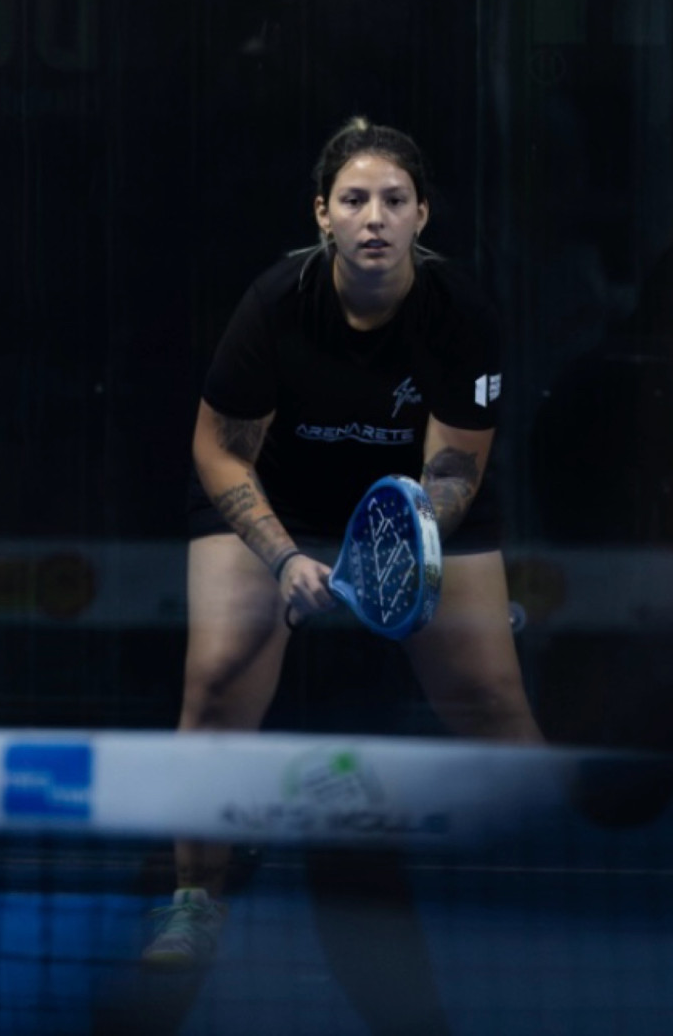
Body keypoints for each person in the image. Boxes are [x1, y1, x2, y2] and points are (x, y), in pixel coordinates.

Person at [143, 117, 541, 970]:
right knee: (215, 685)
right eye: (354, 200)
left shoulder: (462, 313)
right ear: (322, 213)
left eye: (394, 200)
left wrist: (401, 549)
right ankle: (194, 903)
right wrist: (284, 557)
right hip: (275, 496)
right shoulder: (276, 304)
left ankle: (561, 883)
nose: (375, 218)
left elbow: (455, 468)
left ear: (422, 215)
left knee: (493, 701)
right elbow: (219, 450)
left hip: (409, 505)